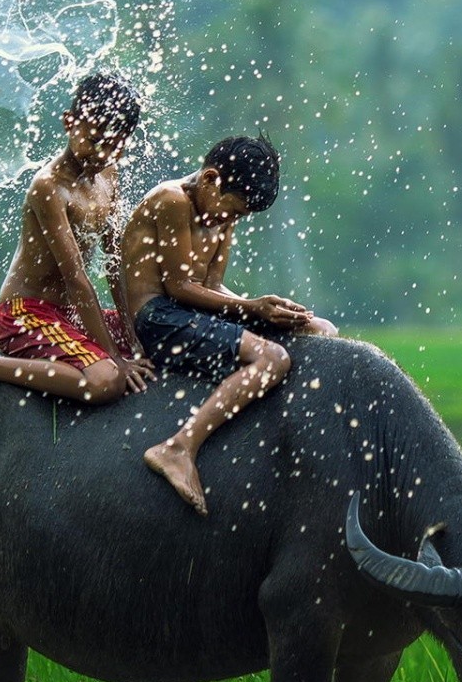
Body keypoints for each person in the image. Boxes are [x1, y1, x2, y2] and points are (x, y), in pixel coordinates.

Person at [118, 135, 337, 515]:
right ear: (210, 180)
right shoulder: (172, 201)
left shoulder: (221, 213)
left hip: (190, 312)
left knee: (320, 328)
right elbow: (179, 286)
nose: (230, 220)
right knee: (273, 359)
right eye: (230, 211)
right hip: (158, 318)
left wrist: (267, 309)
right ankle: (179, 447)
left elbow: (213, 287)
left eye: (239, 216)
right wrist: (253, 309)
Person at [0, 71, 158, 416]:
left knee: (156, 335)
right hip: (26, 314)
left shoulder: (109, 175)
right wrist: (113, 357)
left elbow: (113, 264)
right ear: (70, 122)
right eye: (94, 139)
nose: (101, 152)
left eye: (114, 144)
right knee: (105, 380)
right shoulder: (49, 187)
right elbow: (76, 278)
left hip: (68, 316)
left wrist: (133, 335)